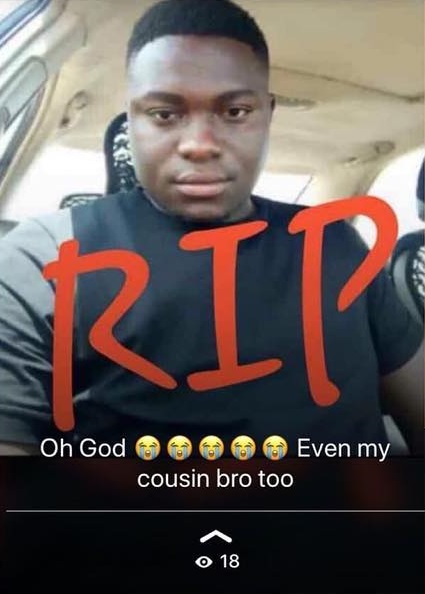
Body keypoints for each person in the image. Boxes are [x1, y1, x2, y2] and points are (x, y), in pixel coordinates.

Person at [0, 0, 422, 456]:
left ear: (267, 115)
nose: (200, 145)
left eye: (235, 112)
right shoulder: (43, 260)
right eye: (165, 114)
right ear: (132, 119)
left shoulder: (337, 244)